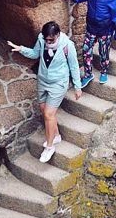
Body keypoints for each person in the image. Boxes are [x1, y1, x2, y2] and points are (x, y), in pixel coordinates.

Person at [7, 21, 82, 163]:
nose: (48, 42)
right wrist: (21, 49)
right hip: (43, 80)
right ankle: (56, 135)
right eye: (46, 38)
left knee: (49, 113)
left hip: (58, 83)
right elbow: (35, 54)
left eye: (51, 40)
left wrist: (78, 87)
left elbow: (74, 66)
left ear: (58, 35)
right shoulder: (41, 40)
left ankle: (49, 146)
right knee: (43, 109)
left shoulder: (67, 46)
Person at [58, 0, 116, 87]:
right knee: (86, 50)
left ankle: (104, 71)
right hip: (91, 29)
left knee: (104, 52)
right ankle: (88, 74)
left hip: (105, 30)